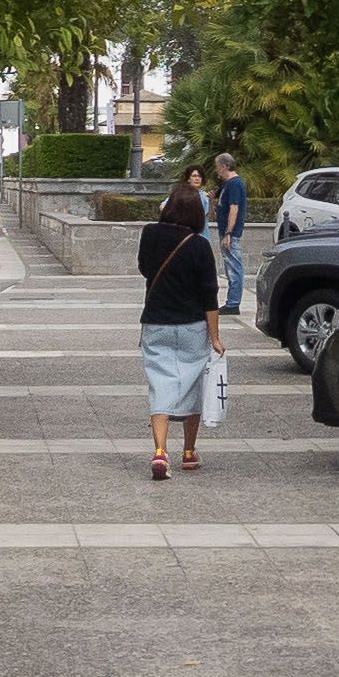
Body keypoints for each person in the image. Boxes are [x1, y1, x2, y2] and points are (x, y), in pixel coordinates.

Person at [137, 184, 223, 478]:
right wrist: (215, 336)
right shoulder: (199, 245)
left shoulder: (149, 234)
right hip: (192, 326)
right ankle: (188, 452)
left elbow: (145, 269)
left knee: (159, 386)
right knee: (192, 386)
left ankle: (160, 452)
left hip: (156, 323)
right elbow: (210, 294)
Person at [211, 150, 249, 314]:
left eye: (218, 167)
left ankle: (233, 303)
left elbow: (234, 209)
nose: (217, 170)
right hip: (225, 231)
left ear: (225, 166)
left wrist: (228, 233)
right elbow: (220, 210)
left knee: (234, 267)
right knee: (230, 266)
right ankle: (232, 301)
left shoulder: (234, 184)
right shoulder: (226, 185)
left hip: (230, 233)